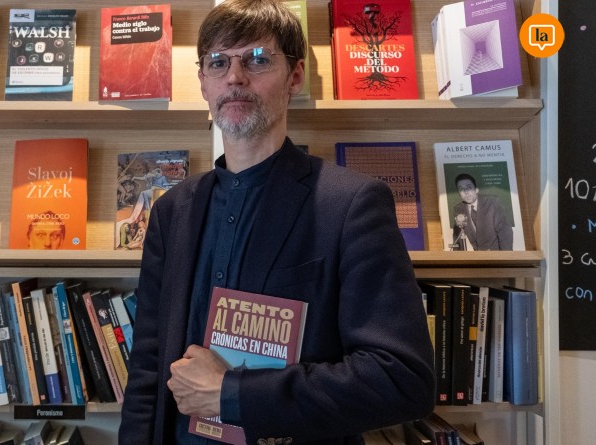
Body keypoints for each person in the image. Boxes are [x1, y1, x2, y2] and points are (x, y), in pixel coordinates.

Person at [119, 1, 435, 444]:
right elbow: (147, 368)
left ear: (295, 77)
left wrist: (233, 394)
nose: (235, 77)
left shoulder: (352, 204)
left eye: (258, 59)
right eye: (218, 62)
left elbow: (402, 379)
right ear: (204, 82)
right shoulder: (173, 210)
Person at [452, 173, 513, 251]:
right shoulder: (458, 209)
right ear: (459, 193)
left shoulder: (493, 202)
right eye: (461, 189)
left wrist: (505, 256)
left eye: (469, 187)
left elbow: (504, 232)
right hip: (478, 256)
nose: (466, 192)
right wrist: (457, 257)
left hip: (497, 254)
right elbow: (457, 237)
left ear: (476, 190)